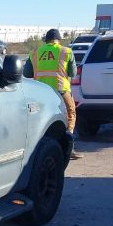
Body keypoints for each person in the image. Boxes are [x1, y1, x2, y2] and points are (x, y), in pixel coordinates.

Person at [24, 28, 81, 159]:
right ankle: (69, 147)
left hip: (41, 91)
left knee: (41, 119)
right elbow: (73, 73)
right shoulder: (66, 51)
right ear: (59, 40)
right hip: (61, 90)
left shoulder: (35, 52)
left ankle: (38, 148)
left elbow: (27, 73)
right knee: (70, 114)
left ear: (46, 40)